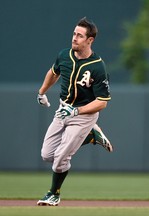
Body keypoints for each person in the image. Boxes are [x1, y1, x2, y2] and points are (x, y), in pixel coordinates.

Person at [36, 17, 112, 206]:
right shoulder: (64, 55)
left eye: (80, 35)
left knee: (61, 157)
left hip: (84, 115)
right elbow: (53, 72)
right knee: (47, 155)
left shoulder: (98, 66)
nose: (74, 38)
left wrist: (77, 112)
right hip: (63, 109)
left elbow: (102, 102)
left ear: (90, 40)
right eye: (74, 34)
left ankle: (53, 193)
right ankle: (91, 136)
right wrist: (41, 92)